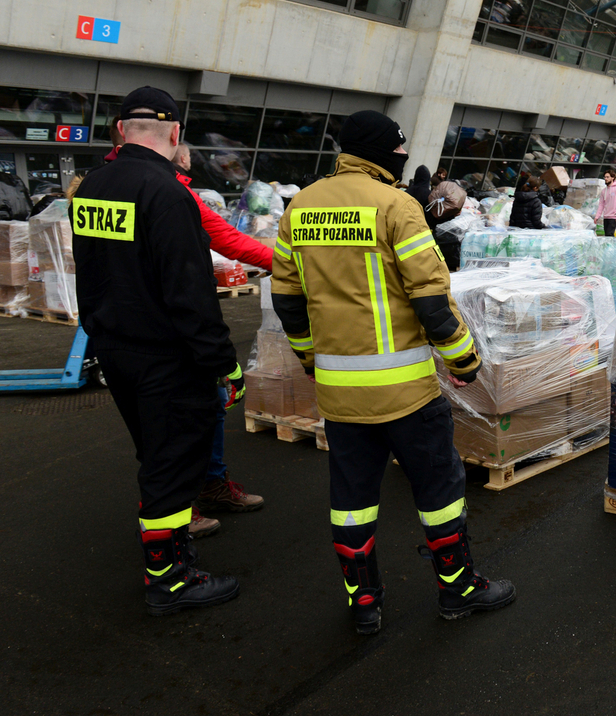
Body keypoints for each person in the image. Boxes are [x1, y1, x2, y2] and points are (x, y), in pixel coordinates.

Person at [271, 110, 515, 635]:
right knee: (438, 490)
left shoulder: (301, 206)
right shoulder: (396, 206)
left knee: (352, 499)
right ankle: (458, 591)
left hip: (339, 393)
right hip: (406, 393)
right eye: (400, 154)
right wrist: (464, 360)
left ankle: (363, 603)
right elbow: (430, 298)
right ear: (387, 154)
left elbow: (287, 299)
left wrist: (311, 359)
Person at [73, 86, 243, 615]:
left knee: (155, 454)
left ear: (121, 131)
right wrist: (224, 364)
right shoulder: (166, 192)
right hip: (166, 358)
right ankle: (171, 578)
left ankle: (168, 560)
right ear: (174, 134)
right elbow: (189, 292)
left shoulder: (93, 185)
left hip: (115, 348)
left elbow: (94, 272)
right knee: (172, 465)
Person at [169, 144, 268, 533]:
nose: (188, 158)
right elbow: (223, 241)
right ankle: (174, 511)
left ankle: (210, 485)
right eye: (184, 151)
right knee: (172, 424)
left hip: (175, 323)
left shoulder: (174, 190)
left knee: (209, 406)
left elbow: (225, 237)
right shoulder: (163, 192)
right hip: (162, 328)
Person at [595, 169, 616, 236]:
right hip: (606, 217)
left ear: (612, 178)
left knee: (609, 235)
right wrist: (597, 216)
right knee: (607, 235)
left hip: (613, 217)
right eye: (605, 177)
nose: (606, 179)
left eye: (607, 177)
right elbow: (601, 205)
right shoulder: (603, 191)